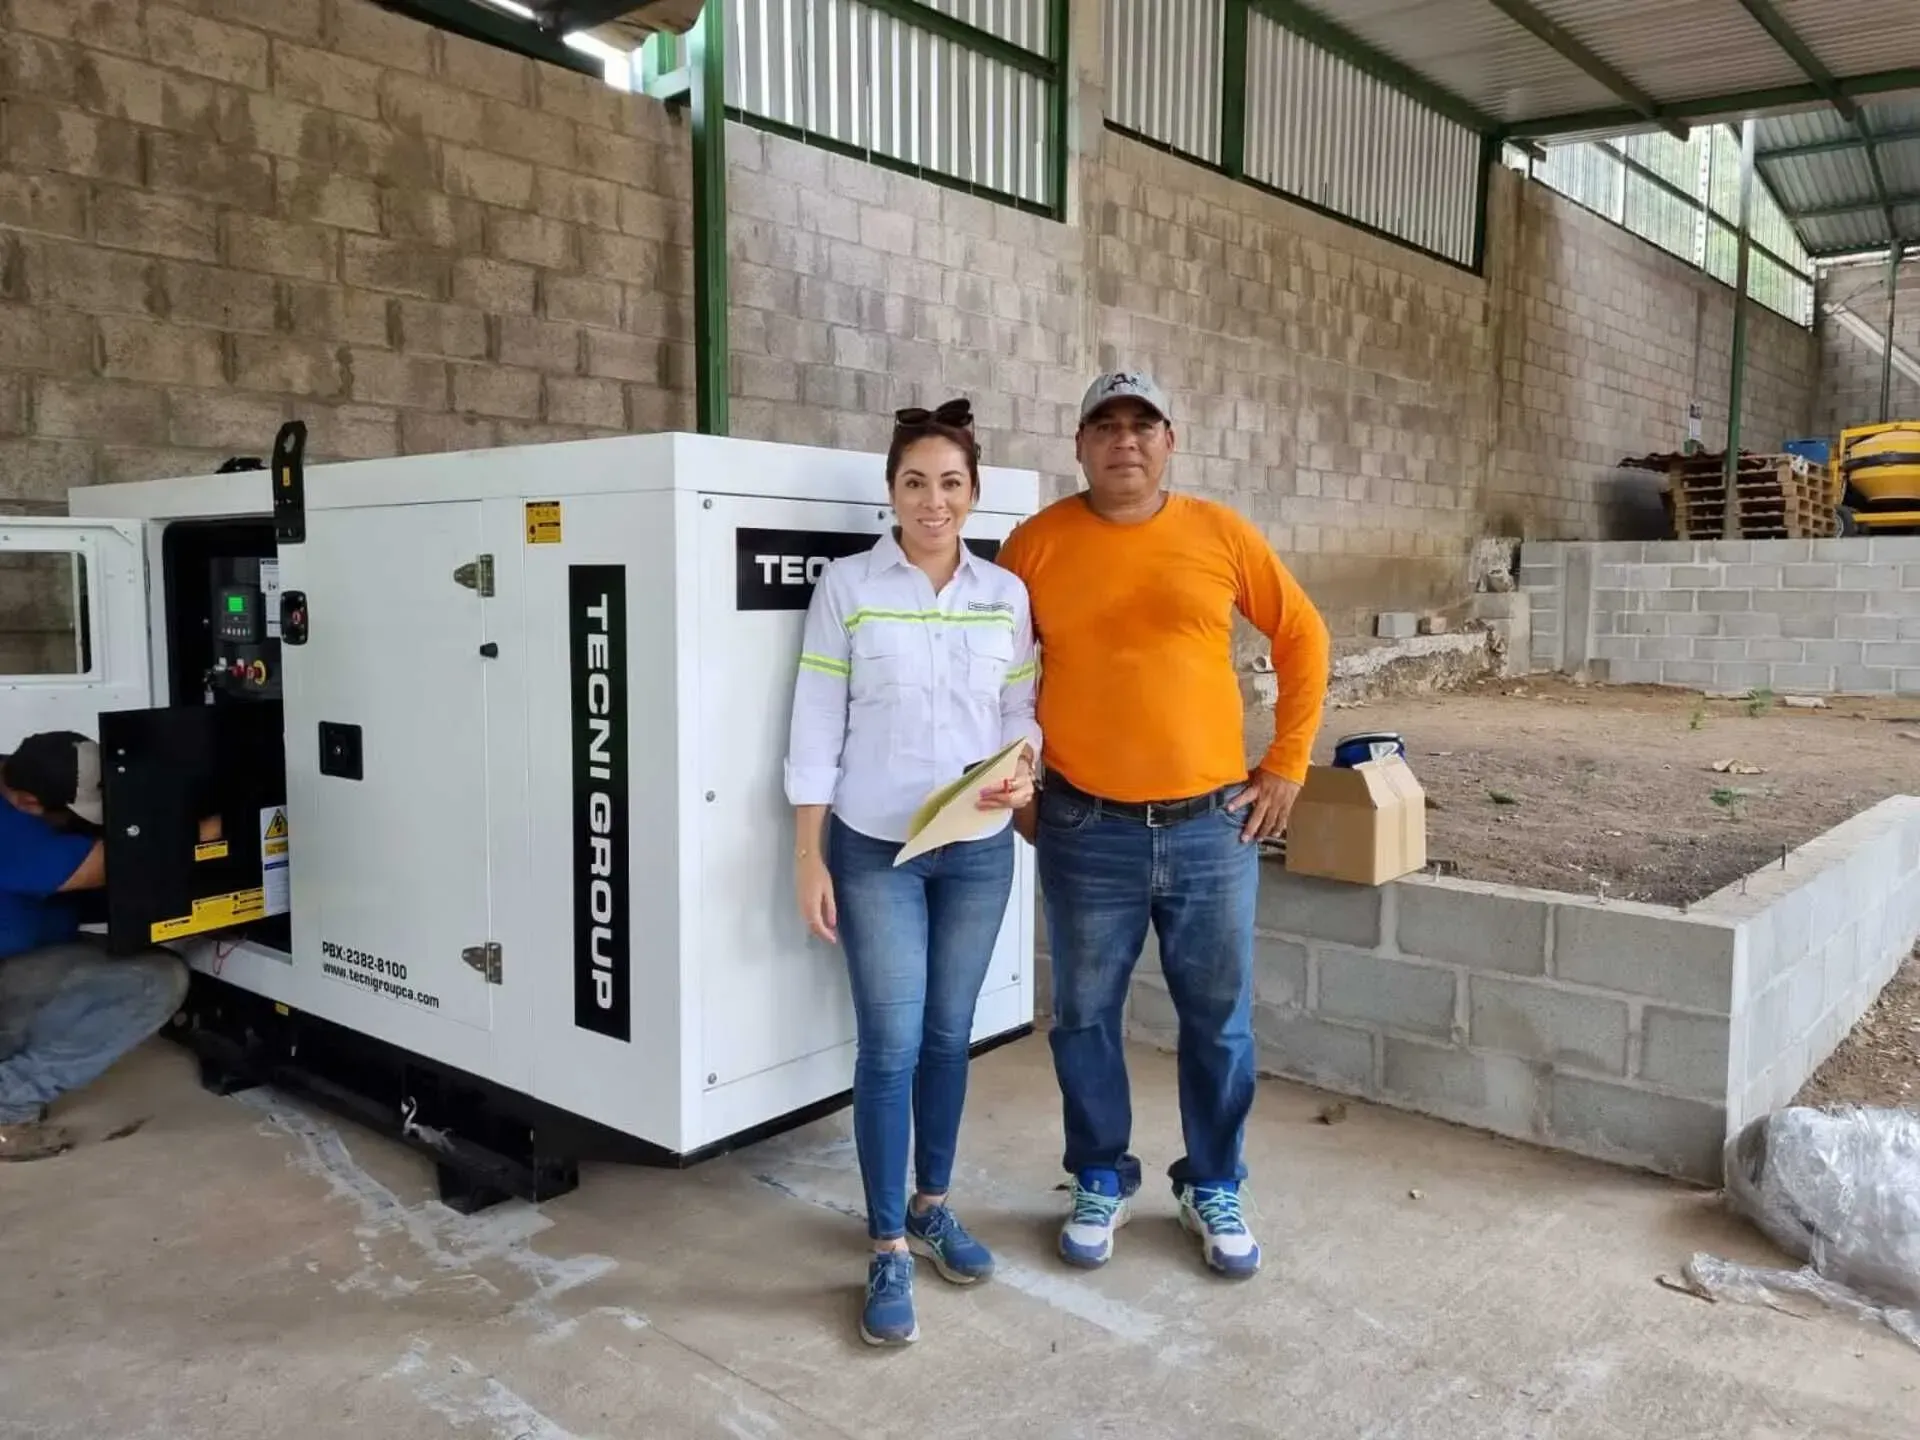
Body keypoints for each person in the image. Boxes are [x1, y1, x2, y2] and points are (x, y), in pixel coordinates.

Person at [997, 371, 1331, 1281]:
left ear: (1170, 442)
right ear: (1078, 447)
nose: (1124, 442)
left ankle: (1213, 1180)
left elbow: (1304, 637)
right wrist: (1019, 792)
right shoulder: (1035, 546)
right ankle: (1099, 1174)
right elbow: (991, 673)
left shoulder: (1220, 534)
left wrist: (1288, 765)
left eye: (1142, 426)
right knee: (1084, 1020)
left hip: (1209, 831)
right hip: (1085, 826)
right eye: (1104, 427)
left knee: (1218, 1025)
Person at [784, 398, 1041, 1348]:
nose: (933, 502)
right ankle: (887, 1242)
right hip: (874, 850)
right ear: (889, 492)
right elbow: (816, 721)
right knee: (889, 1045)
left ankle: (932, 1204)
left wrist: (1024, 768)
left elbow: (1021, 714)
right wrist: (807, 853)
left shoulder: (1003, 595)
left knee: (948, 1036)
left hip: (972, 853)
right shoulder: (848, 587)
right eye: (914, 483)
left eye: (951, 484)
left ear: (974, 495)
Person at [0, 731, 195, 1161]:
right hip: (9, 976)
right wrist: (212, 830)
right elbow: (106, 863)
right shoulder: (9, 831)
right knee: (156, 980)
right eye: (73, 813)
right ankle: (5, 1105)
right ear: (28, 802)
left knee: (137, 957)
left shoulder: (21, 783)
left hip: (23, 958)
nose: (85, 823)